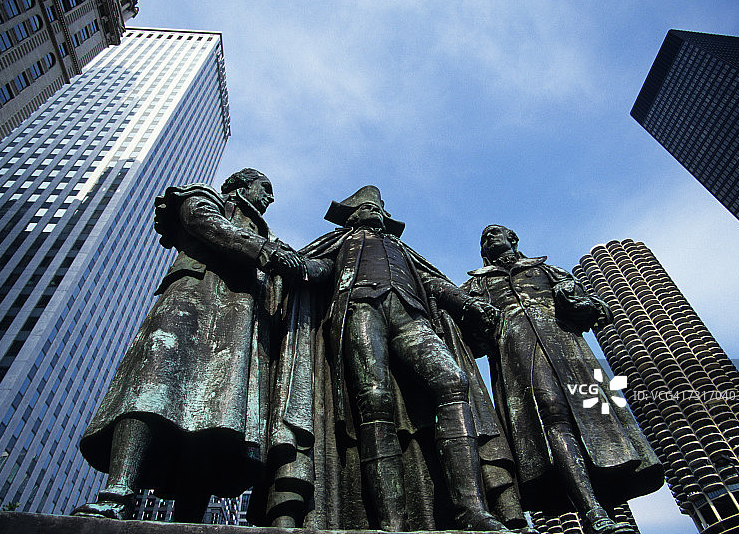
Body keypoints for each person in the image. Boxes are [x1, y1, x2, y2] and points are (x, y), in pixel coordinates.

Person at [252, 186, 530, 532]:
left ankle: (471, 509)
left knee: (453, 382)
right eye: (367, 208)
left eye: (378, 209)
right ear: (352, 216)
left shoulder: (401, 248)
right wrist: (294, 265)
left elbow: (433, 282)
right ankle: (392, 522)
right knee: (374, 401)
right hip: (360, 309)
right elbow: (321, 269)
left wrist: (466, 303)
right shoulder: (342, 242)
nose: (375, 213)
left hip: (411, 315)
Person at [73, 169, 303, 521]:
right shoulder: (205, 198)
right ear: (242, 185)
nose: (269, 199)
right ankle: (116, 494)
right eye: (265, 189)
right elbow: (207, 224)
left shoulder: (268, 235)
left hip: (239, 324)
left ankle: (190, 517)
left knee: (216, 417)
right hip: (193, 300)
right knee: (151, 388)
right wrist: (265, 252)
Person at [461, 225, 663, 534]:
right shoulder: (477, 283)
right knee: (551, 413)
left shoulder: (546, 269)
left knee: (592, 420)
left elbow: (593, 308)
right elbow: (464, 327)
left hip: (564, 345)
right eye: (484, 239)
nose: (488, 241)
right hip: (517, 350)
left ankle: (604, 509)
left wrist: (582, 302)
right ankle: (593, 511)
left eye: (494, 234)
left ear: (513, 239)